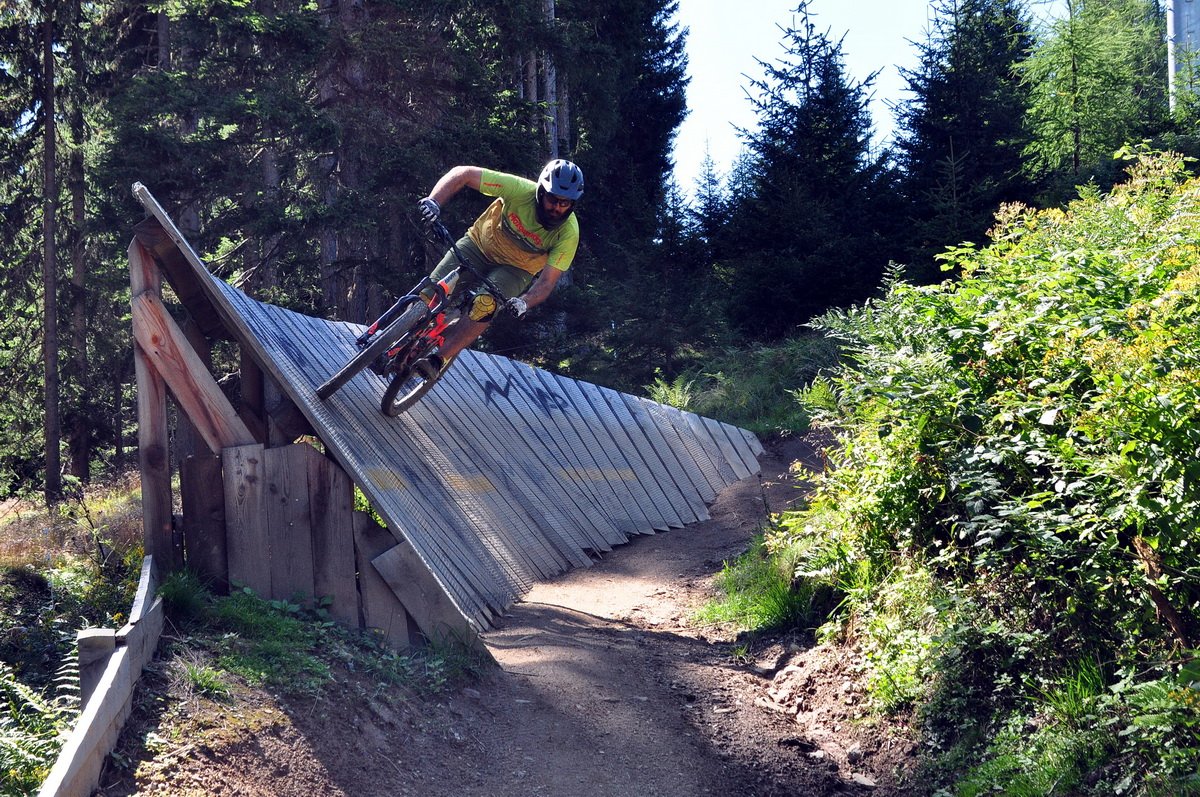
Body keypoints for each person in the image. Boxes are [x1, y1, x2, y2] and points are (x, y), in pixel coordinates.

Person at [413, 159, 583, 376]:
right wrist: (434, 201)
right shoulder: (520, 190)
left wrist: (524, 302)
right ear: (540, 192)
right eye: (552, 199)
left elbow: (547, 282)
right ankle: (394, 336)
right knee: (431, 294)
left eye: (565, 203)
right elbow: (463, 173)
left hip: (516, 270)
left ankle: (438, 359)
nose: (556, 208)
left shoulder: (569, 233)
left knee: (485, 305)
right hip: (479, 244)